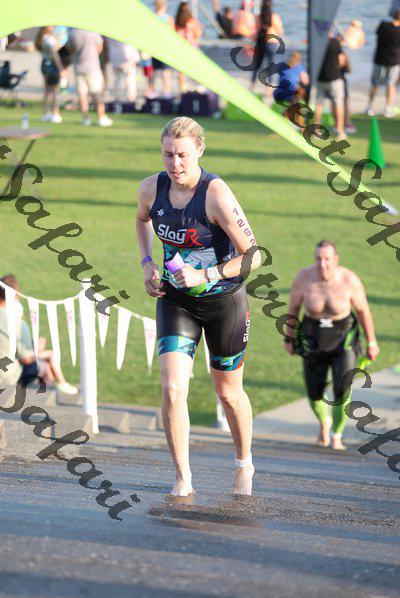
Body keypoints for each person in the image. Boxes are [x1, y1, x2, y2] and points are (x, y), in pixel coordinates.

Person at [136, 117, 261, 496]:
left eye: (183, 155)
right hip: (176, 301)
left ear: (199, 152)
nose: (175, 164)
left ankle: (244, 462)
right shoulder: (150, 188)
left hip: (224, 303)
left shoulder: (215, 195)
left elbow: (254, 256)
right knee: (172, 388)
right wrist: (147, 262)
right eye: (168, 155)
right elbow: (141, 220)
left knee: (228, 394)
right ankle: (183, 477)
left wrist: (206, 274)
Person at [284, 241, 380, 451]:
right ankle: (324, 422)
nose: (322, 264)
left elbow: (363, 312)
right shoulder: (304, 278)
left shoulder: (349, 280)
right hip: (313, 339)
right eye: (318, 258)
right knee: (314, 392)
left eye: (327, 259)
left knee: (342, 390)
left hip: (343, 341)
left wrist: (372, 342)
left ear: (336, 259)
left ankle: (336, 434)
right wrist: (289, 339)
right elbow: (293, 309)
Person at [0, 275, 78, 394]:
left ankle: (58, 388)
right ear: (15, 295)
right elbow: (26, 360)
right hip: (6, 377)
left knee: (44, 359)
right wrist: (37, 351)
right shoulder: (17, 323)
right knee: (44, 366)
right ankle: (51, 397)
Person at [67, 28, 113, 127]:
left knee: (82, 94)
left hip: (78, 67)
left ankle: (86, 118)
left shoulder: (73, 33)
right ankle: (101, 117)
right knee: (96, 93)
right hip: (92, 67)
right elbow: (99, 49)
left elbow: (69, 49)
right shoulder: (93, 32)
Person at [366, 11, 400, 118]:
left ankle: (369, 107)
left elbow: (377, 36)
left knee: (375, 83)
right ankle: (387, 109)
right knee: (391, 84)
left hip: (380, 58)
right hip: (394, 61)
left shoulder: (383, 25)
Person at [314, 32, 346, 140]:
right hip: (334, 78)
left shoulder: (317, 42)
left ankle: (316, 130)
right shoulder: (335, 42)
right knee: (338, 104)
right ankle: (340, 131)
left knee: (319, 105)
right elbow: (341, 61)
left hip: (320, 78)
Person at [250, 0, 283, 94]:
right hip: (272, 42)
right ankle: (268, 88)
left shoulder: (259, 17)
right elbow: (280, 31)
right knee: (271, 66)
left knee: (257, 65)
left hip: (261, 43)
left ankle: (252, 85)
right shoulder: (275, 17)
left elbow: (256, 30)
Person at [34, 26, 64, 124]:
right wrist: (60, 68)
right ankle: (55, 114)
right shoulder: (49, 38)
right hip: (52, 65)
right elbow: (54, 53)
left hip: (44, 64)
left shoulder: (42, 37)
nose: (53, 27)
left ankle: (46, 113)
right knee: (55, 90)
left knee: (47, 91)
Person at [273, 51, 309, 122]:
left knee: (297, 101)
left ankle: (286, 117)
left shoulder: (284, 66)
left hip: (280, 93)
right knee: (298, 102)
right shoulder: (299, 68)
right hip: (289, 94)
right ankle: (287, 118)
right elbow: (305, 81)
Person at [175, 2, 203, 93]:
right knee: (196, 68)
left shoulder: (177, 22)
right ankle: (197, 88)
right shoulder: (193, 21)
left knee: (182, 70)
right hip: (192, 48)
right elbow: (198, 33)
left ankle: (182, 89)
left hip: (181, 49)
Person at [151, 0, 174, 97]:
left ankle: (152, 91)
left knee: (154, 71)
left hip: (154, 47)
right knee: (165, 71)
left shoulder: (152, 16)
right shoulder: (168, 18)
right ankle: (166, 92)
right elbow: (172, 34)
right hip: (165, 47)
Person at [107, 38, 140, 102]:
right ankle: (130, 98)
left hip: (117, 57)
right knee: (129, 80)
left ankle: (119, 98)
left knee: (119, 80)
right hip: (126, 57)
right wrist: (136, 57)